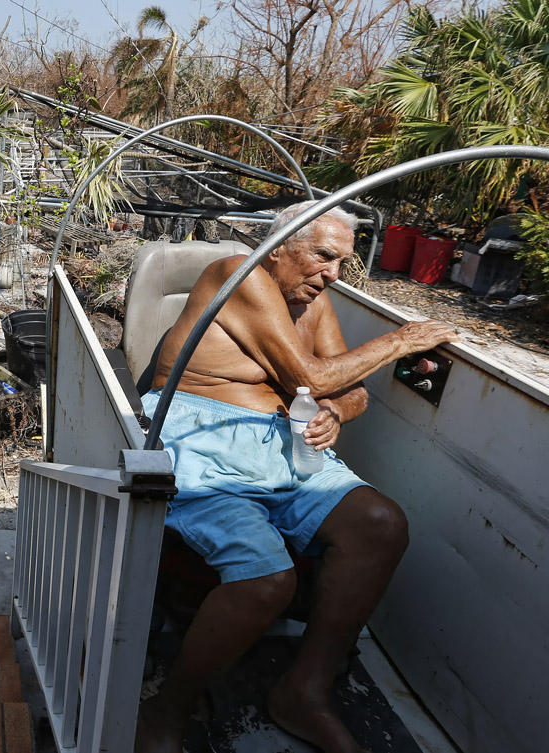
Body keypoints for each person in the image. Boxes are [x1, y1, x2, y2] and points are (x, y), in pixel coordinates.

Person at [136, 200, 459, 753]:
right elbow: (310, 374)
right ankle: (171, 705)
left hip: (282, 445)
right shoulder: (236, 272)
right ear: (280, 246)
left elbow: (346, 389)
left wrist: (337, 413)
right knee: (266, 579)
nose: (332, 274)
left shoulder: (314, 302)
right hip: (202, 441)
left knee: (380, 524)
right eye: (324, 256)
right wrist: (400, 340)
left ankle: (305, 690)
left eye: (342, 262)